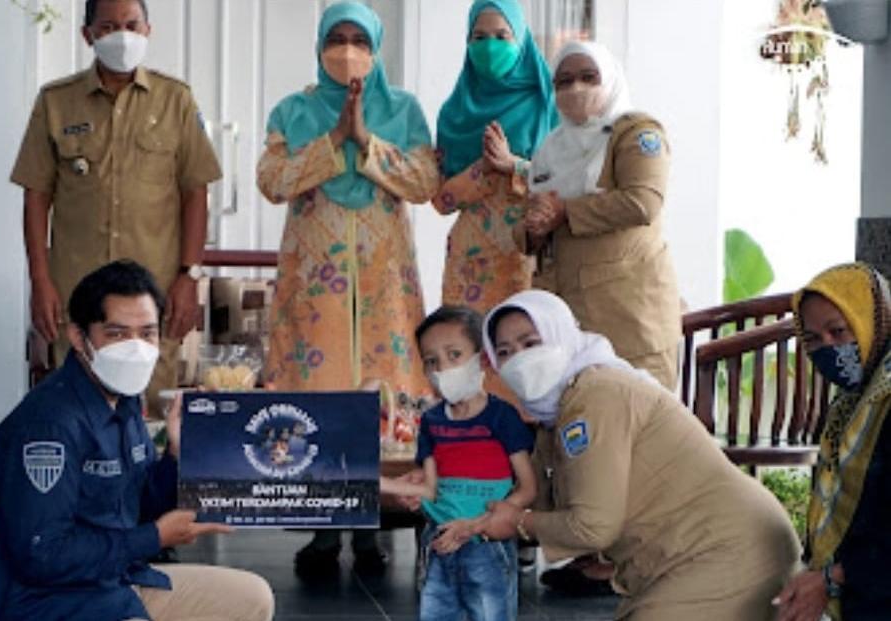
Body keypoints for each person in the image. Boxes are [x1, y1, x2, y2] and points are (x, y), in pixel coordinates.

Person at [0, 260, 274, 621]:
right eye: (116, 334)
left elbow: (140, 507)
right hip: (47, 603)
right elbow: (42, 556)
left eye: (147, 333)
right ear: (78, 337)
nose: (135, 348)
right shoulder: (49, 426)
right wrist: (155, 538)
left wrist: (177, 455)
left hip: (112, 583)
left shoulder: (124, 398)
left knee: (253, 598)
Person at [476, 291, 801, 620]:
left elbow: (592, 526)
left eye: (531, 343)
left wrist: (517, 523)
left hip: (729, 553)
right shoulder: (558, 414)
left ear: (563, 335)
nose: (519, 359)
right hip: (697, 554)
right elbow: (543, 503)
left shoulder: (595, 396)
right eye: (504, 352)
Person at [255, 1, 440, 574]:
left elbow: (425, 182)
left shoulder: (404, 109)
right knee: (320, 394)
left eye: (359, 38)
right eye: (336, 37)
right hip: (316, 290)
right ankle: (322, 527)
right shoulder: (293, 109)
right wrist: (336, 139)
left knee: (380, 397)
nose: (347, 48)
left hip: (384, 284)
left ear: (377, 47)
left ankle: (372, 528)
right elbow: (271, 180)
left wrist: (369, 141)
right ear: (318, 45)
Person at [12, 0, 221, 414]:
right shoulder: (56, 102)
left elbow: (195, 192)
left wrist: (189, 275)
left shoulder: (175, 100)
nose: (121, 36)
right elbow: (36, 195)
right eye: (108, 27)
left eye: (131, 24)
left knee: (150, 417)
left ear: (148, 31)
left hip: (152, 297)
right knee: (73, 410)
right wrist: (40, 280)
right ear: (88, 35)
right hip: (75, 293)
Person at [504, 41, 681, 389]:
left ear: (610, 80)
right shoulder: (552, 148)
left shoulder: (636, 133)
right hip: (567, 313)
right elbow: (536, 215)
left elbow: (643, 201)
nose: (576, 89)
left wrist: (565, 211)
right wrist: (535, 227)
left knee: (641, 420)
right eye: (564, 81)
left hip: (628, 313)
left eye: (589, 77)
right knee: (579, 423)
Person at [381, 306, 536, 621]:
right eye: (431, 361)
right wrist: (396, 487)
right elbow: (430, 487)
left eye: (454, 354)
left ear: (482, 359)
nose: (443, 368)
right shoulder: (432, 421)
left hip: (486, 543)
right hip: (439, 540)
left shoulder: (502, 417)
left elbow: (528, 488)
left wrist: (477, 525)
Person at [774, 262, 891, 621]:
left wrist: (832, 580)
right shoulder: (850, 405)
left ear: (873, 321)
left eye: (839, 331)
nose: (828, 348)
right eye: (812, 339)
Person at [434, 0, 556, 312]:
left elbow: (568, 184)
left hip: (532, 252)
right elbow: (441, 202)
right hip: (471, 262)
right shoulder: (453, 112)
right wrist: (482, 169)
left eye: (502, 36)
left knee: (528, 353)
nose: (490, 46)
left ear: (521, 40)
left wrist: (511, 164)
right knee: (468, 352)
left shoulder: (547, 103)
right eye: (480, 37)